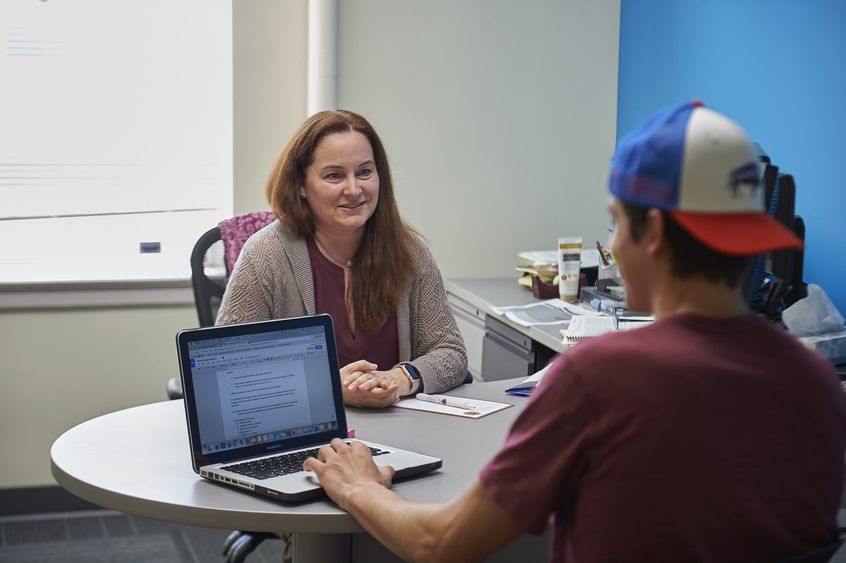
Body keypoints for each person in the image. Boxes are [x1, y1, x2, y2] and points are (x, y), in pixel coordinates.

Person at [302, 101, 846, 561]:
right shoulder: (816, 382)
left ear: (652, 232)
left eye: (615, 223)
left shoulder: (601, 378)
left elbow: (438, 542)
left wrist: (357, 485)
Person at [216, 110, 467, 408]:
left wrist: (400, 378)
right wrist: (329, 388)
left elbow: (451, 352)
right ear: (300, 185)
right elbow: (228, 369)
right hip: (304, 433)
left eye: (364, 172)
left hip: (401, 430)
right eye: (334, 175)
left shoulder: (409, 251)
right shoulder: (266, 253)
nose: (354, 190)